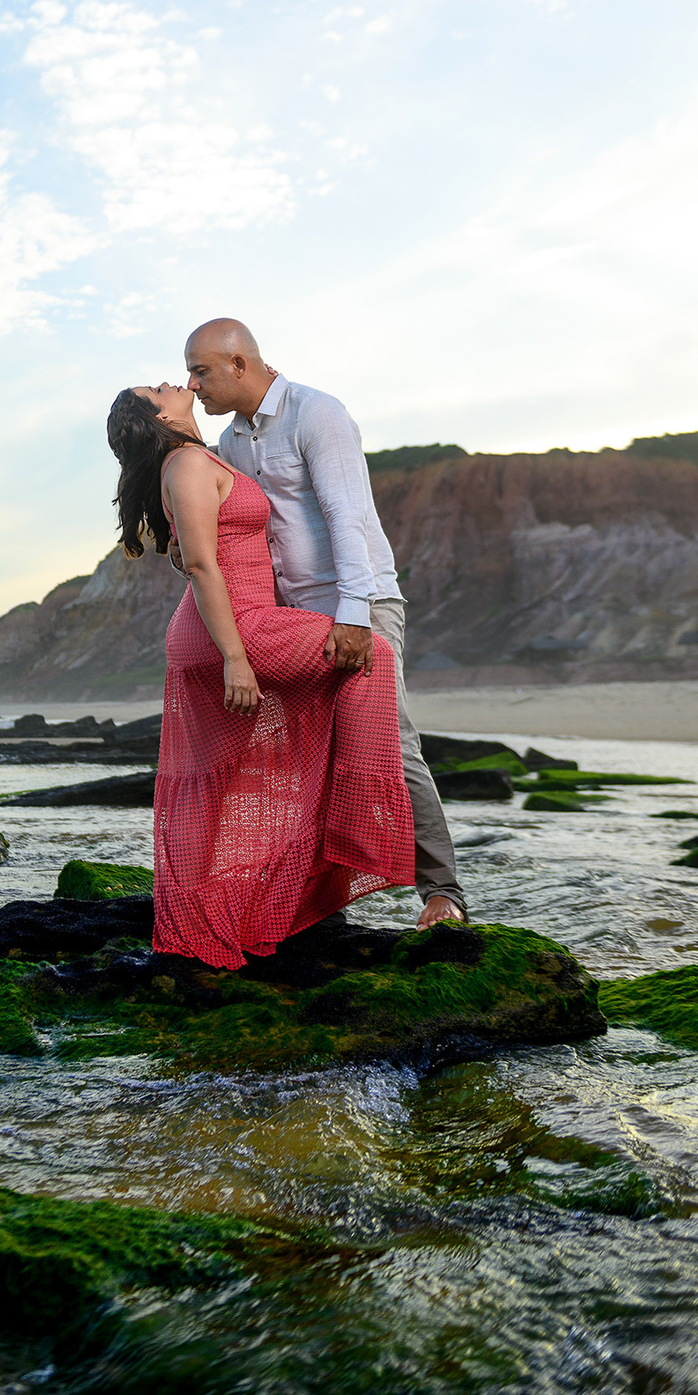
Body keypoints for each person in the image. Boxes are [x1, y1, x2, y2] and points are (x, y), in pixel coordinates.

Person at [106, 381, 416, 971]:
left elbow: (194, 551)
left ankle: (264, 898)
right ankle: (347, 837)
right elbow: (199, 563)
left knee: (227, 783)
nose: (175, 382)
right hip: (238, 629)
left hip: (238, 625)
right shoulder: (190, 461)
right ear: (159, 414)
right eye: (159, 387)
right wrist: (235, 658)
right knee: (367, 654)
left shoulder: (199, 457)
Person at [183, 317, 467, 930]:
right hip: (289, 618)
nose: (194, 383)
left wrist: (355, 614)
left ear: (239, 363)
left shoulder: (317, 413)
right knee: (303, 752)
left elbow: (347, 514)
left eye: (201, 370)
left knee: (391, 741)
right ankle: (313, 901)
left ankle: (443, 893)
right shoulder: (230, 443)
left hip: (356, 604)